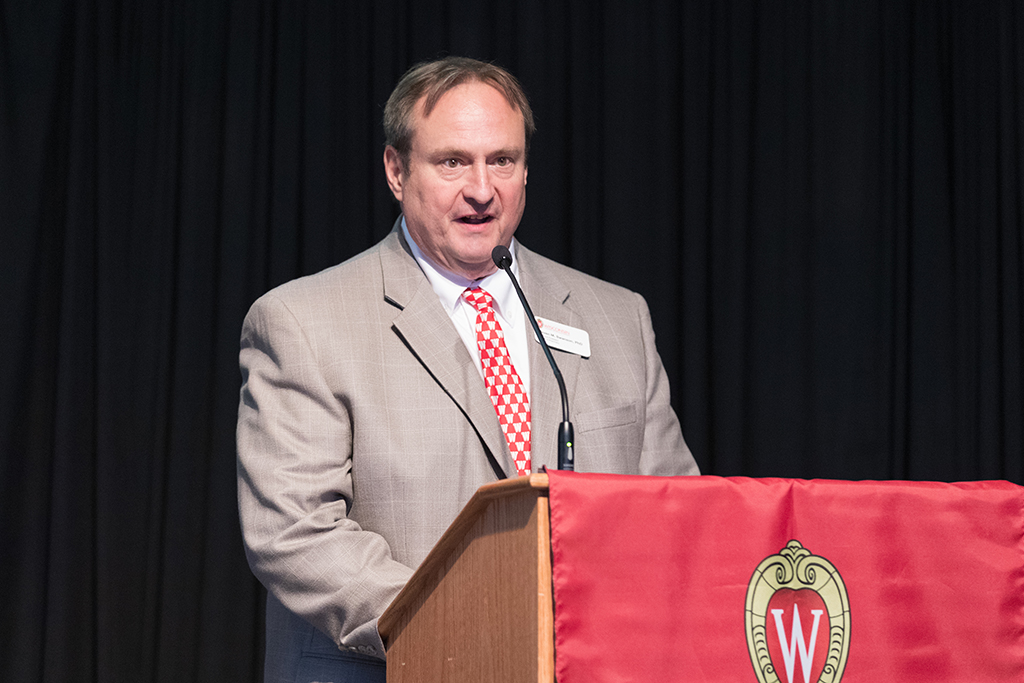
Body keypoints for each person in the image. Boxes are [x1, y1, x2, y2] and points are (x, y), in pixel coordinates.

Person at [237, 56, 700, 683]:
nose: (482, 189)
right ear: (397, 171)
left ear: (526, 169)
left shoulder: (617, 319)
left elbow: (678, 516)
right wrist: (474, 627)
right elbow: (296, 533)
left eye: (502, 161)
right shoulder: (303, 322)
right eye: (453, 161)